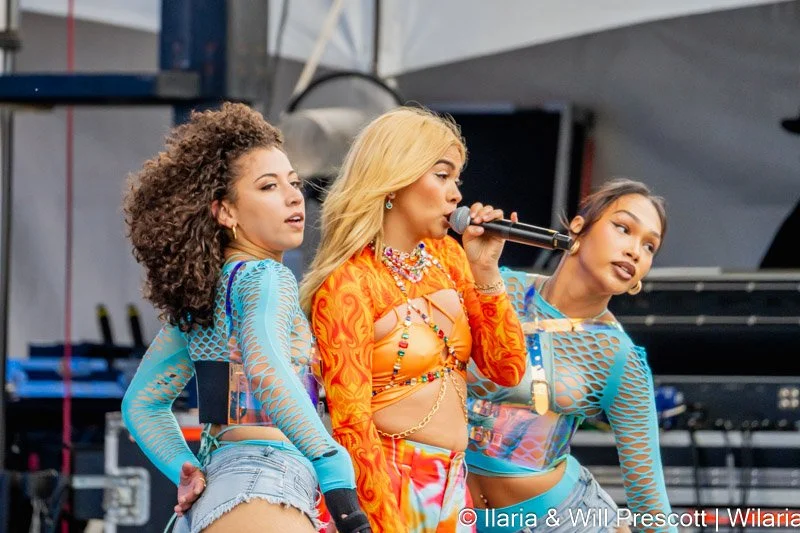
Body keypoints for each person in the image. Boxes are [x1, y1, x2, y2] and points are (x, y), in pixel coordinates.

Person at [120, 102, 369, 533]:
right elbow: (266, 371)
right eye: (269, 186)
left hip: (215, 492)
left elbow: (142, 404)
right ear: (226, 212)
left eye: (294, 182)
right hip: (266, 483)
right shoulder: (266, 276)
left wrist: (185, 468)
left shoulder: (204, 295)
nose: (294, 196)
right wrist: (332, 464)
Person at [298, 106, 529, 532]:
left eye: (457, 180)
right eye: (442, 175)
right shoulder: (349, 284)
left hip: (453, 486)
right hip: (387, 486)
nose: (456, 195)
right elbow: (352, 426)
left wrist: (485, 272)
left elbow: (507, 368)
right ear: (395, 179)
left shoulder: (450, 258)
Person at [464, 178, 674, 533]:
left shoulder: (619, 356)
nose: (635, 251)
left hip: (562, 521)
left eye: (649, 246)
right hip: (452, 514)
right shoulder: (497, 287)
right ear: (578, 227)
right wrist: (477, 267)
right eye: (623, 228)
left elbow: (648, 497)